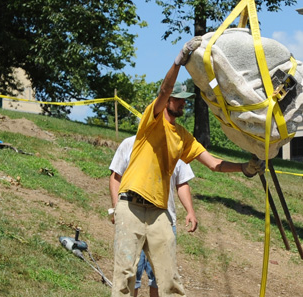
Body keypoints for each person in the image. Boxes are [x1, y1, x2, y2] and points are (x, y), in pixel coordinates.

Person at [110, 37, 265, 297]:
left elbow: (214, 164)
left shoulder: (183, 136)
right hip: (131, 207)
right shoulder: (152, 120)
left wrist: (244, 168)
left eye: (185, 100)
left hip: (159, 213)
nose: (183, 103)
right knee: (125, 277)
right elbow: (162, 90)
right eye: (178, 99)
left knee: (170, 280)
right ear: (169, 100)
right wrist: (178, 62)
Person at [109, 136, 198, 297]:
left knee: (162, 276)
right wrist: (117, 207)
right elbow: (116, 176)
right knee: (129, 274)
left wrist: (190, 211)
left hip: (164, 219)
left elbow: (182, 182)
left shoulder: (175, 146)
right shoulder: (130, 144)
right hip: (132, 217)